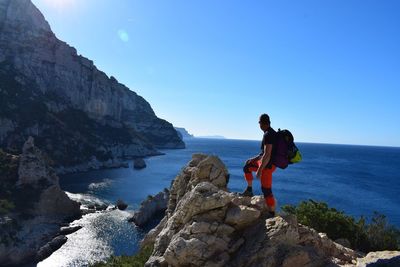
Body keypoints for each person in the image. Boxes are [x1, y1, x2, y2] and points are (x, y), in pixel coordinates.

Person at [241, 113, 277, 216]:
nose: (259, 125)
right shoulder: (270, 133)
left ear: (261, 123)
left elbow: (267, 154)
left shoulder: (268, 134)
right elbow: (263, 153)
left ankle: (271, 213)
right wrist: (253, 159)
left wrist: (260, 170)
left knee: (266, 190)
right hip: (266, 162)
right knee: (247, 166)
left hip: (267, 166)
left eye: (259, 123)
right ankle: (249, 189)